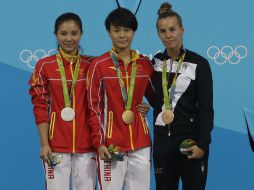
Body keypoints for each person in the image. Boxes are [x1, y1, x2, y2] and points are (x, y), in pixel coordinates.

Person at [87, 7, 155, 190]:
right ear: (109, 32)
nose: (122, 35)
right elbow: (94, 107)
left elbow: (156, 98)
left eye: (127, 30)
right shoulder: (98, 65)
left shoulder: (145, 64)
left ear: (134, 32)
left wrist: (148, 106)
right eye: (116, 30)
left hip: (141, 142)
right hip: (111, 143)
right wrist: (99, 142)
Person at [29, 12, 97, 190]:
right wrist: (44, 144)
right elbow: (40, 106)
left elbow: (106, 101)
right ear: (55, 34)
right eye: (63, 33)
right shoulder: (45, 65)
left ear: (81, 34)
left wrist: (141, 106)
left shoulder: (92, 65)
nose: (69, 38)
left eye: (74, 33)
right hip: (56, 145)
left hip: (87, 146)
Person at [152, 2, 214, 190]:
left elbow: (206, 108)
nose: (168, 35)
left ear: (182, 30)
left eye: (172, 29)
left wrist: (202, 144)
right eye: (163, 31)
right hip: (163, 142)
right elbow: (149, 95)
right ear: (158, 34)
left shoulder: (199, 63)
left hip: (190, 140)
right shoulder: (154, 64)